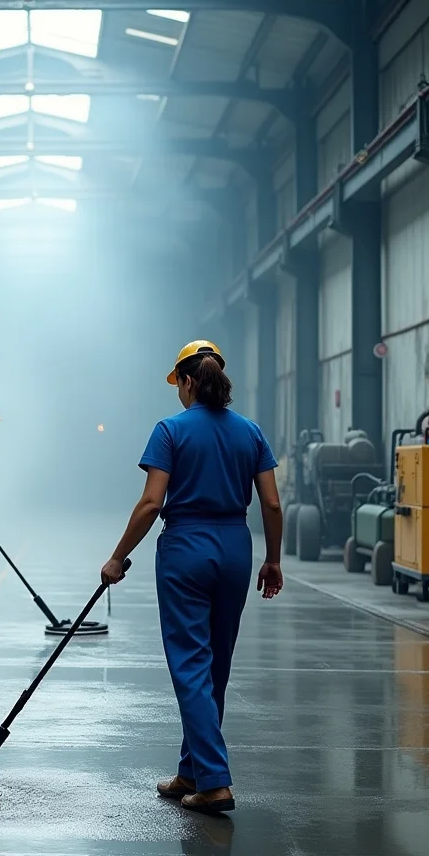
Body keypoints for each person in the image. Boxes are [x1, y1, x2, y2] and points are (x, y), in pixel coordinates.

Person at [101, 341, 283, 814]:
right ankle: (193, 770)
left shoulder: (169, 430)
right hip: (236, 548)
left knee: (189, 664)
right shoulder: (251, 432)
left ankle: (216, 782)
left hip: (186, 548)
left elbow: (151, 503)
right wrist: (274, 559)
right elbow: (272, 504)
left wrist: (118, 556)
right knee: (214, 665)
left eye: (177, 385)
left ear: (186, 381)